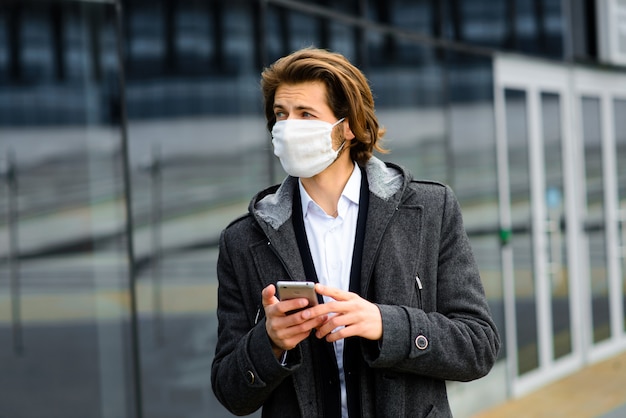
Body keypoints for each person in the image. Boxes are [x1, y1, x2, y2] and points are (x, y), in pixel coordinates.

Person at [211, 47, 500, 418]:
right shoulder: (242, 240)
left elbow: (478, 347)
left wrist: (385, 324)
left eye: (306, 114)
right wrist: (269, 343)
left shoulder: (430, 209)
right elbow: (229, 391)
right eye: (280, 115)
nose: (288, 127)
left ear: (347, 126)